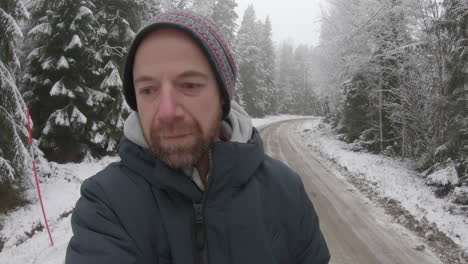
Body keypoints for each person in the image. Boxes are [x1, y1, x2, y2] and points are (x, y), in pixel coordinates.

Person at [65, 11, 330, 264]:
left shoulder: (285, 191)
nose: (167, 112)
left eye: (189, 85)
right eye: (148, 90)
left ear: (223, 95)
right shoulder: (105, 204)